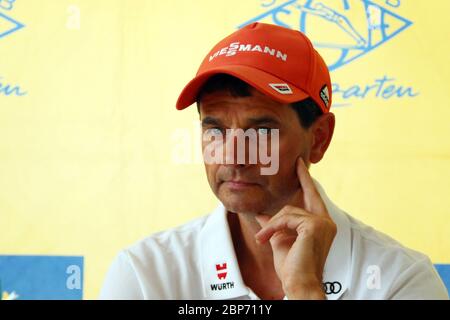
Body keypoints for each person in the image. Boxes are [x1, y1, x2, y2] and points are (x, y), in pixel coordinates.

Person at [99, 22, 448, 300]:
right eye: (215, 129)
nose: (233, 156)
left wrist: (305, 291)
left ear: (319, 139)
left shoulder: (400, 280)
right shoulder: (144, 273)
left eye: (262, 131)